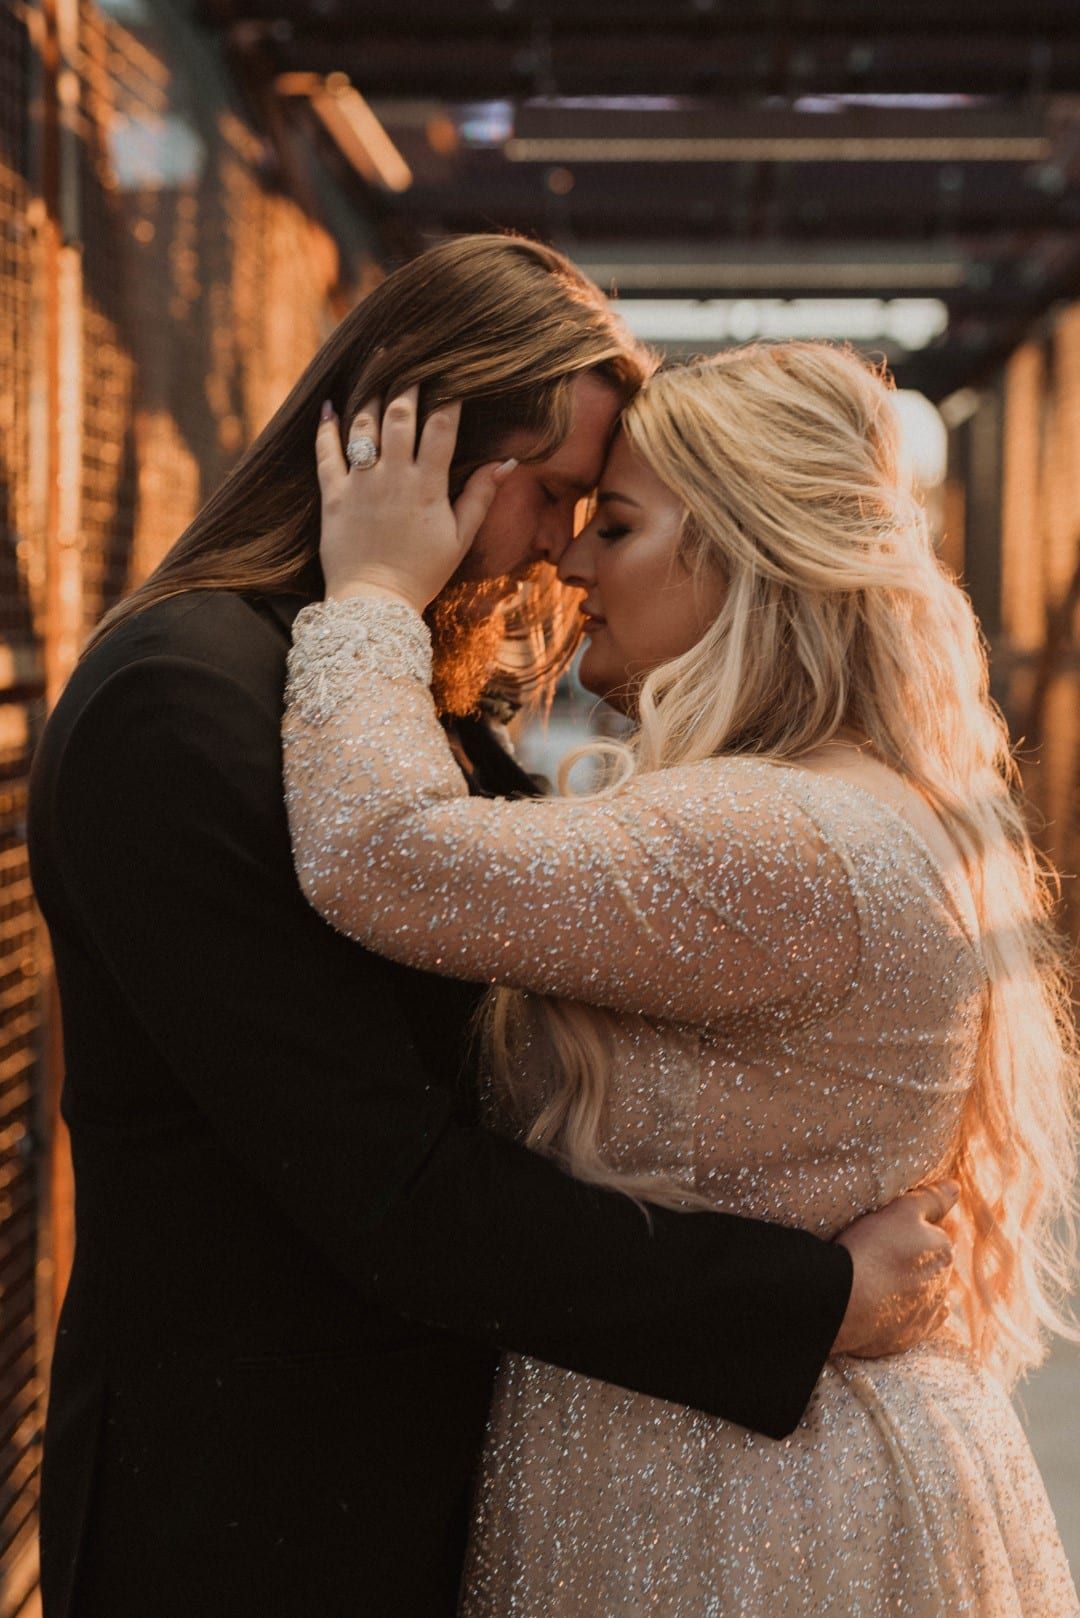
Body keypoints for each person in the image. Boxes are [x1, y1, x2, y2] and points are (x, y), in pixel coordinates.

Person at [28, 236, 955, 1618]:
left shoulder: (377, 691)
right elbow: (387, 1183)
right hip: (252, 1517)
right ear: (418, 447)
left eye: (603, 513)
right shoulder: (179, 704)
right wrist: (802, 1297)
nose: (565, 554)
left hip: (396, 1484)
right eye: (559, 495)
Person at [284, 339, 1080, 1616]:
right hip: (766, 1469)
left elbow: (375, 852)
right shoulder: (860, 799)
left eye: (619, 525)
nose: (573, 563)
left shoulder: (767, 837)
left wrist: (372, 591)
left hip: (738, 1511)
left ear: (744, 551)